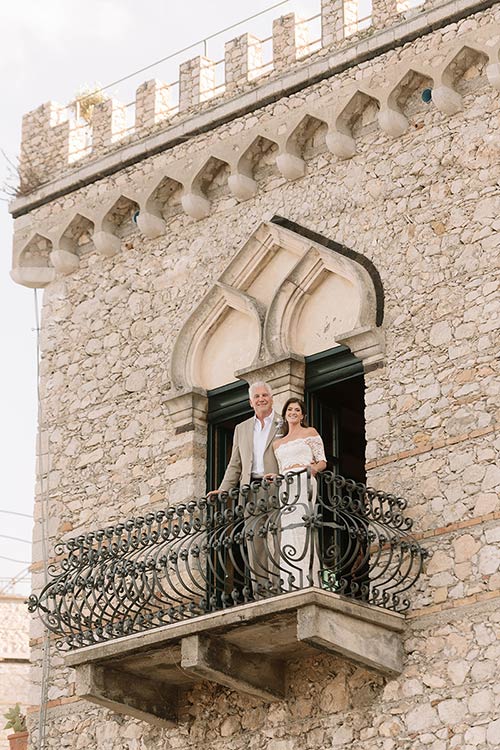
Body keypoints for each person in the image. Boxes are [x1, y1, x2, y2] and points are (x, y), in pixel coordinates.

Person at [210, 381, 281, 595]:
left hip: (276, 486)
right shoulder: (241, 429)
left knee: (278, 537)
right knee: (255, 541)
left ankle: (280, 587)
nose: (261, 399)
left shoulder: (283, 422)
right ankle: (261, 591)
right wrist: (223, 490)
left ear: (271, 398)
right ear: (251, 402)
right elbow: (235, 464)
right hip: (250, 490)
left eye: (264, 395)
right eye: (257, 396)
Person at [267, 398, 327, 589]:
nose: (293, 412)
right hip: (286, 485)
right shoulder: (277, 443)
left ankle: (308, 580)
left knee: (303, 525)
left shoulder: (310, 433)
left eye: (297, 410)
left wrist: (314, 470)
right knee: (288, 529)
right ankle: (290, 583)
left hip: (305, 480)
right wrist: (275, 477)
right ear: (285, 414)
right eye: (290, 409)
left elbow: (322, 461)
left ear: (302, 415)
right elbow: (283, 468)